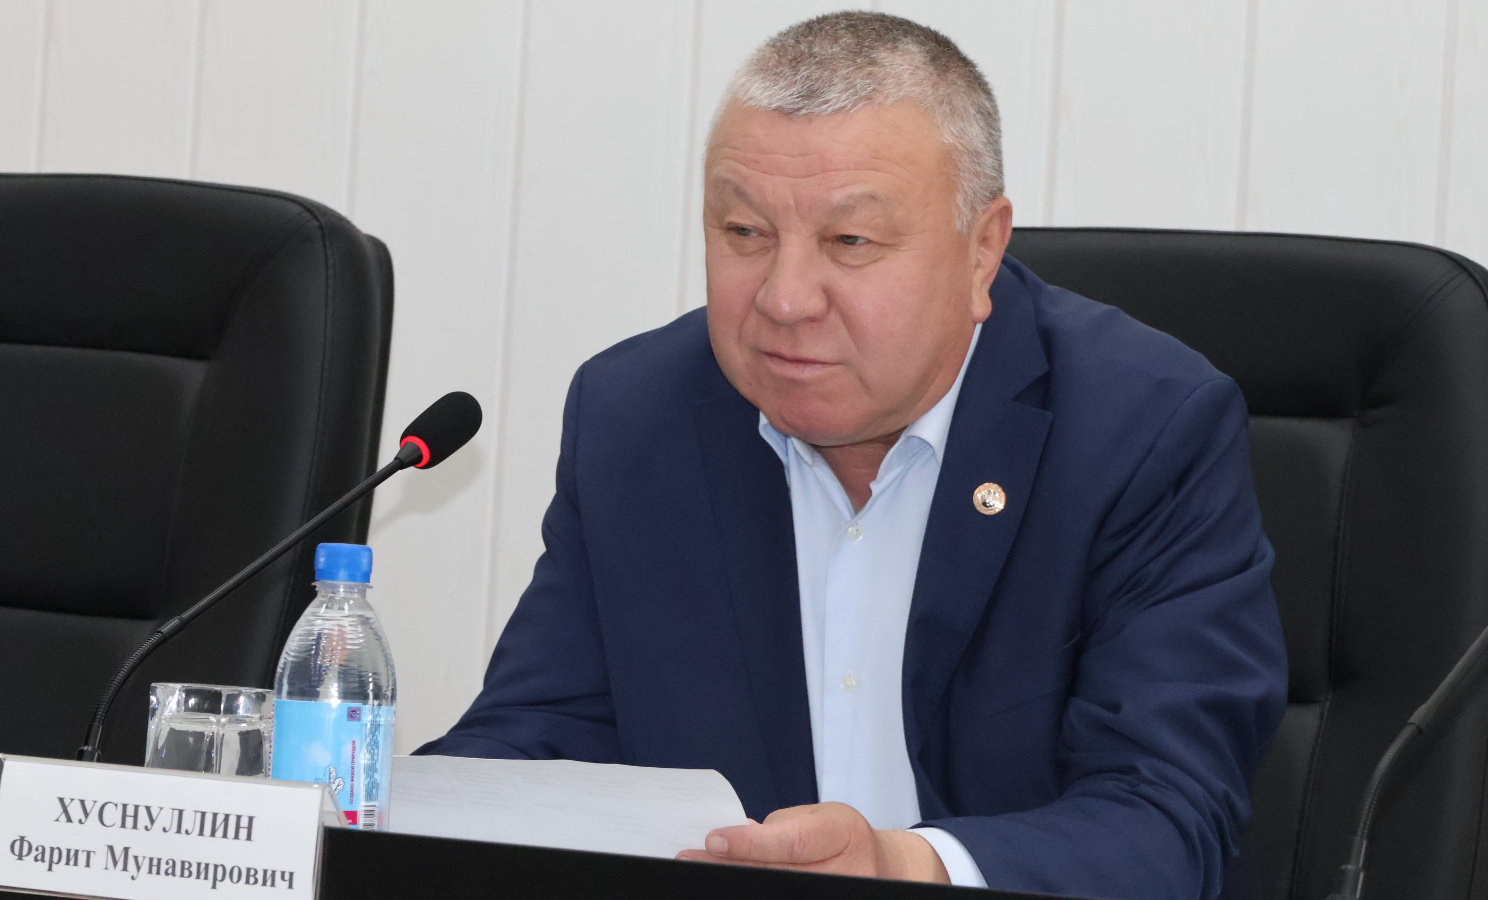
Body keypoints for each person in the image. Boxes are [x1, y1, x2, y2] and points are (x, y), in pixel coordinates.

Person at [418, 12, 1287, 899]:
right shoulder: (636, 418)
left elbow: (1166, 816)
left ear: (982, 252)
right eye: (745, 233)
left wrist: (908, 867)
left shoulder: (1140, 430)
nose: (785, 299)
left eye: (850, 242)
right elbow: (538, 745)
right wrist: (367, 818)